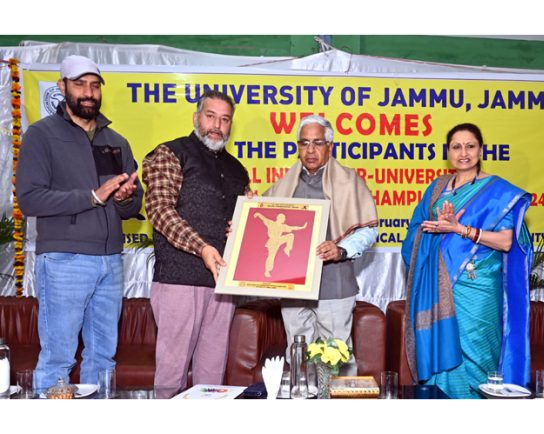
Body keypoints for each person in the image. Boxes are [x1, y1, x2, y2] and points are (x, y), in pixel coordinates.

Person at [16, 55, 143, 391]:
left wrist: (125, 197)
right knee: (59, 357)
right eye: (79, 84)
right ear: (62, 87)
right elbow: (30, 199)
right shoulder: (40, 136)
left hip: (111, 261)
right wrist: (92, 197)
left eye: (94, 85)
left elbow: (133, 207)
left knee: (103, 357)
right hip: (63, 261)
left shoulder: (116, 141)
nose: (88, 92)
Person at [401, 123, 533, 399]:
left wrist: (459, 229)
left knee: (477, 353)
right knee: (442, 355)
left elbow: (506, 241)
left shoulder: (499, 192)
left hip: (478, 285)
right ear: (448, 151)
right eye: (457, 147)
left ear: (481, 150)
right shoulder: (437, 190)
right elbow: (415, 231)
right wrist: (433, 229)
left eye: (470, 146)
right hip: (439, 284)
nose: (464, 153)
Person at [142, 90, 249, 390]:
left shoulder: (237, 169)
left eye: (225, 119)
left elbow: (238, 224)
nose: (217, 125)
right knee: (171, 375)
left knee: (212, 379)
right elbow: (160, 211)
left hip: (223, 283)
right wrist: (201, 247)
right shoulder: (169, 153)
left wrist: (244, 223)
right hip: (179, 280)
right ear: (196, 117)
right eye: (210, 116)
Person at [264, 115, 378, 375]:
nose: (310, 150)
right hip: (293, 284)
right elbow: (262, 220)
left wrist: (341, 250)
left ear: (330, 146)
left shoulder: (349, 182)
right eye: (304, 143)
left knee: (335, 356)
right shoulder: (285, 184)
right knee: (297, 351)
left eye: (317, 143)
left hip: (334, 282)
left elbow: (369, 231)